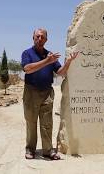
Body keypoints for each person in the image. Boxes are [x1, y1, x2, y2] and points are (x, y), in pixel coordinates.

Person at [21, 28, 78, 160]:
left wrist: (68, 62)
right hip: (31, 92)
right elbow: (28, 69)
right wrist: (47, 61)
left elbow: (61, 72)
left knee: (47, 123)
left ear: (46, 40)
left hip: (47, 92)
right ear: (33, 38)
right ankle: (30, 149)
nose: (39, 39)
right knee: (31, 122)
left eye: (42, 37)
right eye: (37, 36)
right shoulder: (27, 53)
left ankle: (48, 150)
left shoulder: (50, 55)